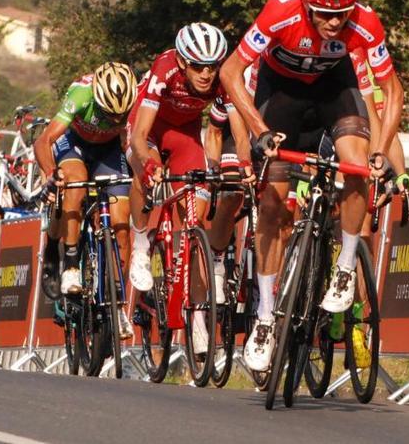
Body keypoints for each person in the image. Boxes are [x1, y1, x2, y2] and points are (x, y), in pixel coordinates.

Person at [218, 0, 409, 371]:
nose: (333, 22)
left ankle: (344, 268)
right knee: (272, 207)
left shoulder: (364, 21)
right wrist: (258, 130)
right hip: (281, 93)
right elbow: (231, 72)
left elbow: (392, 91)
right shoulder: (281, 10)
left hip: (333, 87)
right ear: (307, 4)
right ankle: (266, 318)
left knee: (357, 163)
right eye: (324, 14)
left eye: (341, 14)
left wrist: (381, 151)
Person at [126, 22, 253, 356]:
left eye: (212, 66)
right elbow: (139, 137)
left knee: (194, 222)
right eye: (198, 66)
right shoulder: (165, 68)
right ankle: (140, 245)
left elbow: (239, 133)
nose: (206, 74)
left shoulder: (221, 78)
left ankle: (198, 318)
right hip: (149, 129)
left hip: (184, 135)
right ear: (183, 62)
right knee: (144, 171)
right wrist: (150, 164)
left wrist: (245, 164)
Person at [33, 62, 138, 339]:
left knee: (121, 226)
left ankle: (117, 303)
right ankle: (66, 261)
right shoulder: (81, 94)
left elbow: (132, 145)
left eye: (121, 115)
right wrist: (50, 173)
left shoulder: (133, 102)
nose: (116, 120)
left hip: (108, 152)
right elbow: (43, 141)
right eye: (109, 114)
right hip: (74, 144)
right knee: (74, 186)